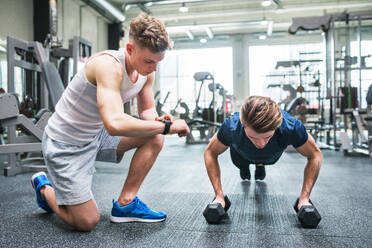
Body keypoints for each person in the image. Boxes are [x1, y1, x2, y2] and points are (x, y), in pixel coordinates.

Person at [30, 13, 190, 232]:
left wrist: (159, 121)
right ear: (130, 48)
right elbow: (114, 123)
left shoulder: (147, 72)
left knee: (155, 136)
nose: (154, 68)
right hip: (66, 143)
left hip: (96, 134)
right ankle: (44, 189)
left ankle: (126, 203)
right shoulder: (107, 66)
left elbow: (147, 111)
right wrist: (169, 127)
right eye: (149, 61)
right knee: (86, 222)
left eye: (158, 62)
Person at [204, 96, 322, 211]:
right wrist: (219, 195)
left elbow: (315, 154)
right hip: (241, 153)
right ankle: (245, 167)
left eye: (267, 137)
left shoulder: (291, 127)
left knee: (263, 159)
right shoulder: (231, 126)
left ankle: (260, 164)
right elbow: (210, 152)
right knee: (242, 168)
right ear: (243, 124)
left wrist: (304, 198)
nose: (260, 144)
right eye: (253, 137)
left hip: (270, 157)